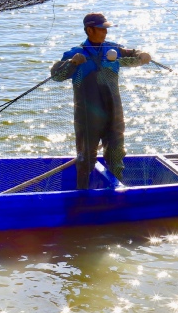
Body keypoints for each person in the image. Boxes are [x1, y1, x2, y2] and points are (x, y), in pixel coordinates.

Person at [50, 13, 151, 189]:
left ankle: (116, 192)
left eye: (106, 29)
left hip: (114, 113)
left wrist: (142, 55)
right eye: (101, 29)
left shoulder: (113, 49)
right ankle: (82, 194)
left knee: (116, 155)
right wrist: (72, 63)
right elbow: (56, 76)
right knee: (85, 159)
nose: (105, 32)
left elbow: (132, 54)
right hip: (87, 117)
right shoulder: (75, 53)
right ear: (89, 30)